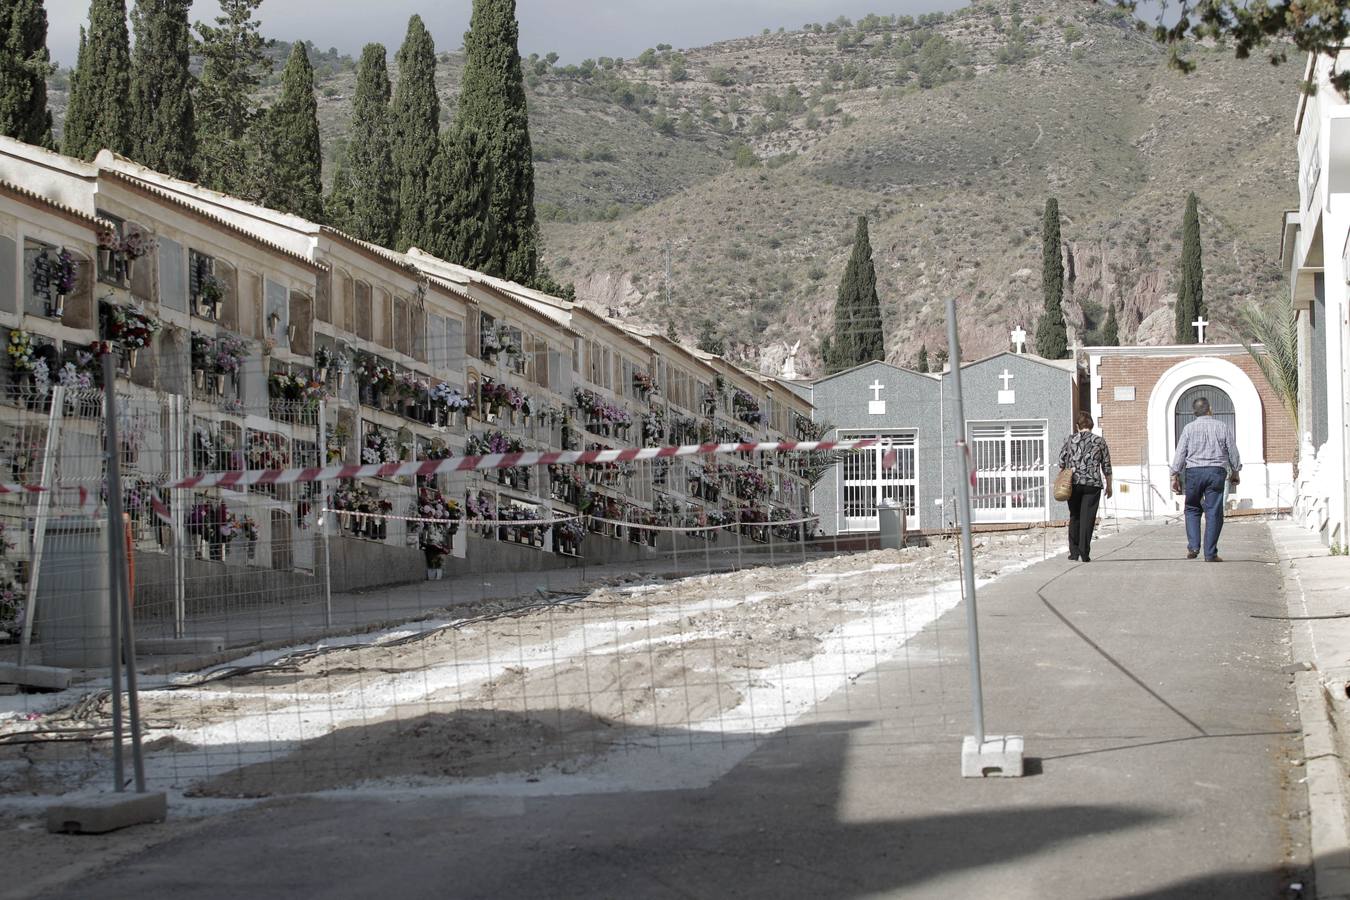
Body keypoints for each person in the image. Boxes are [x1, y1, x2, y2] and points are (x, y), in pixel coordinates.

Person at [1170, 396, 1240, 562]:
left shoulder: (1188, 429)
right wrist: (1236, 471)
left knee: (1192, 508)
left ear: (1194, 413)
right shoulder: (1222, 427)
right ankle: (1210, 553)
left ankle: (1193, 547)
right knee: (1214, 512)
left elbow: (1180, 453)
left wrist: (1174, 475)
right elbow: (1232, 451)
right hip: (1216, 472)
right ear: (1210, 410)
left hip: (1193, 472)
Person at [1058, 411, 1113, 562]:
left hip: (1073, 483)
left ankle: (1074, 552)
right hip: (1092, 483)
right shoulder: (1099, 441)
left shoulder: (1070, 440)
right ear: (1091, 426)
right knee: (1088, 518)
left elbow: (1061, 461)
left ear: (1077, 426)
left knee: (1075, 516)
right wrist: (1109, 485)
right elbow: (1106, 465)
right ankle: (1084, 551)